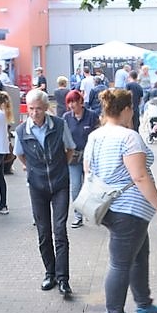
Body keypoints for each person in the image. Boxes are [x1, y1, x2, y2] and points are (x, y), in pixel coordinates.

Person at [85, 89, 157, 313]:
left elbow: (88, 170)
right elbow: (139, 176)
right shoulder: (129, 137)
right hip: (129, 209)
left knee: (139, 255)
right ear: (125, 109)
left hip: (109, 205)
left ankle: (144, 305)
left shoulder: (96, 135)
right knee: (120, 264)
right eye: (131, 108)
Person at [15, 90, 76, 298]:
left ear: (46, 108)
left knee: (60, 230)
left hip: (59, 184)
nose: (34, 113)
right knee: (43, 232)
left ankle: (63, 278)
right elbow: (20, 155)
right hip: (37, 186)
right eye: (31, 109)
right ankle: (50, 273)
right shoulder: (22, 130)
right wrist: (33, 169)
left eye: (38, 109)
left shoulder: (59, 125)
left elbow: (70, 149)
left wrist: (60, 167)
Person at [63, 89, 99, 228]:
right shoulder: (66, 117)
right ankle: (78, 216)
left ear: (80, 102)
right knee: (75, 186)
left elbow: (98, 135)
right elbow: (63, 137)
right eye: (69, 102)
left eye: (74, 102)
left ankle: (92, 212)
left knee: (91, 186)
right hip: (73, 157)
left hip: (90, 157)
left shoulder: (92, 115)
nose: (71, 105)